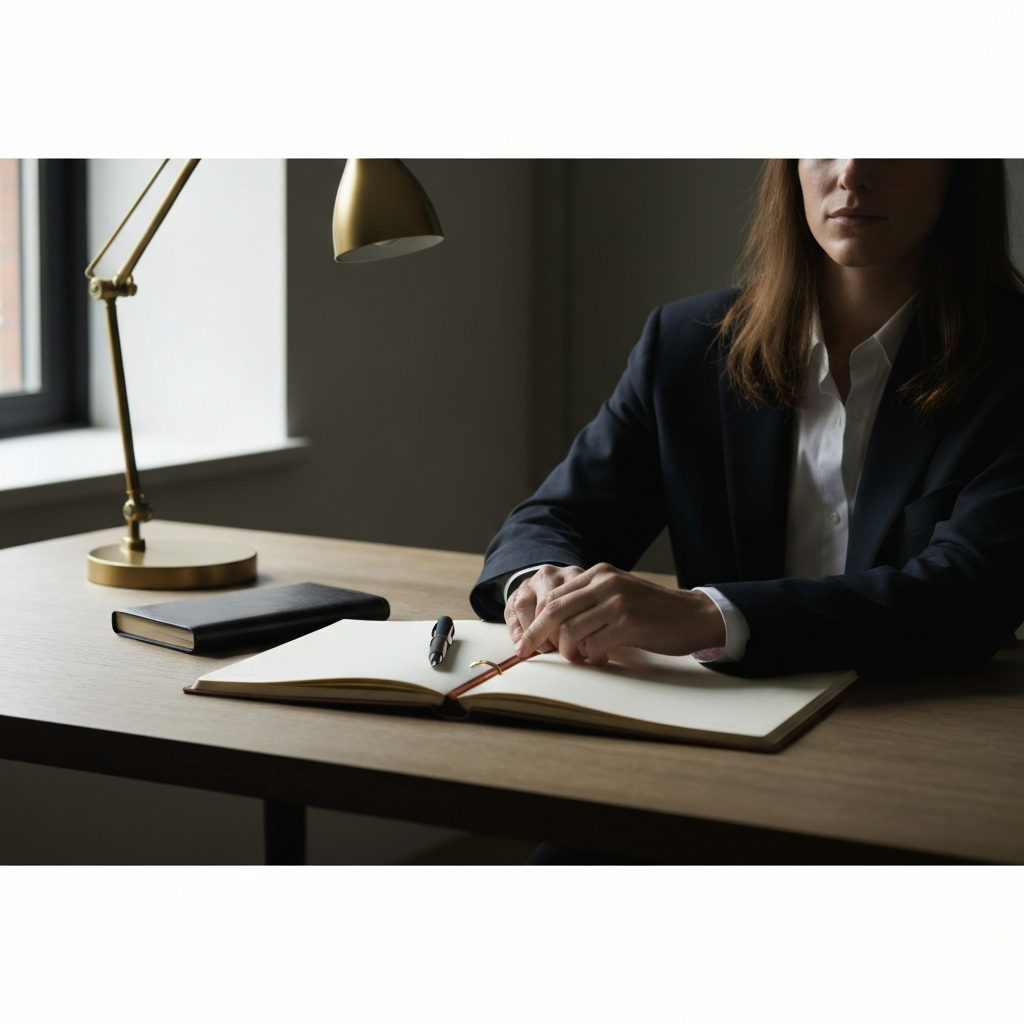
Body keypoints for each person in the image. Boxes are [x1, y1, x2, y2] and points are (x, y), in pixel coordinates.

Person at [470, 159, 1024, 685]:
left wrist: (706, 615)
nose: (852, 172)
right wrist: (543, 579)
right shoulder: (688, 343)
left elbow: (967, 594)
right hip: (725, 726)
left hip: (927, 723)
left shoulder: (1014, 361)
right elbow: (552, 518)